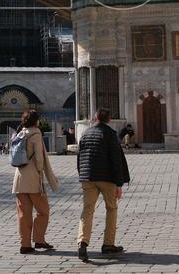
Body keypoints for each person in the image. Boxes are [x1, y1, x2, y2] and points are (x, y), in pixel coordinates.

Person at [76, 108, 129, 263]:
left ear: (95, 118)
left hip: (88, 177)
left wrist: (82, 174)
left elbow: (79, 157)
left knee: (87, 210)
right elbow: (116, 161)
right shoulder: (110, 135)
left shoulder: (85, 133)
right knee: (111, 209)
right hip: (107, 178)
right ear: (109, 120)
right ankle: (108, 244)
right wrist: (119, 183)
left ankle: (82, 242)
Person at [11, 109, 59, 255]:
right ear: (36, 121)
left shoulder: (20, 132)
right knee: (43, 211)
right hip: (33, 179)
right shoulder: (36, 134)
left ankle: (25, 245)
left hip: (19, 178)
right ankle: (39, 239)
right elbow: (39, 158)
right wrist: (40, 172)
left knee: (23, 214)